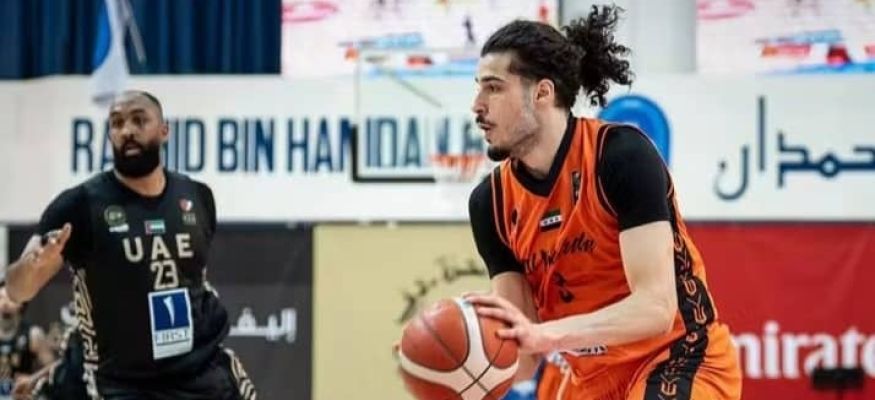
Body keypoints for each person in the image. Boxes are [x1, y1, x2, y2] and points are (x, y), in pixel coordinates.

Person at [465, 6, 742, 400]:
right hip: (593, 382)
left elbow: (656, 309)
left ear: (542, 93)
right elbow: (524, 358)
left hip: (679, 357)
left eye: (493, 88)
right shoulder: (489, 204)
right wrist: (461, 351)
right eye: (478, 87)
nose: (477, 104)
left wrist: (546, 334)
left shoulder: (619, 156)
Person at [4, 90, 256, 400]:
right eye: (117, 122)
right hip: (126, 384)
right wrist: (35, 265)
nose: (127, 131)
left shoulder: (197, 196)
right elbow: (17, 290)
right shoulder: (79, 205)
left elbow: (194, 279)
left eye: (139, 120)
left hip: (202, 371)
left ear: (164, 130)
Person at [0, 287, 54, 400]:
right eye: (1, 298)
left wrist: (33, 379)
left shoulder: (33, 334)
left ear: (21, 303)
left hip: (19, 395)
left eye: (10, 299)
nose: (4, 304)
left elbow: (53, 368)